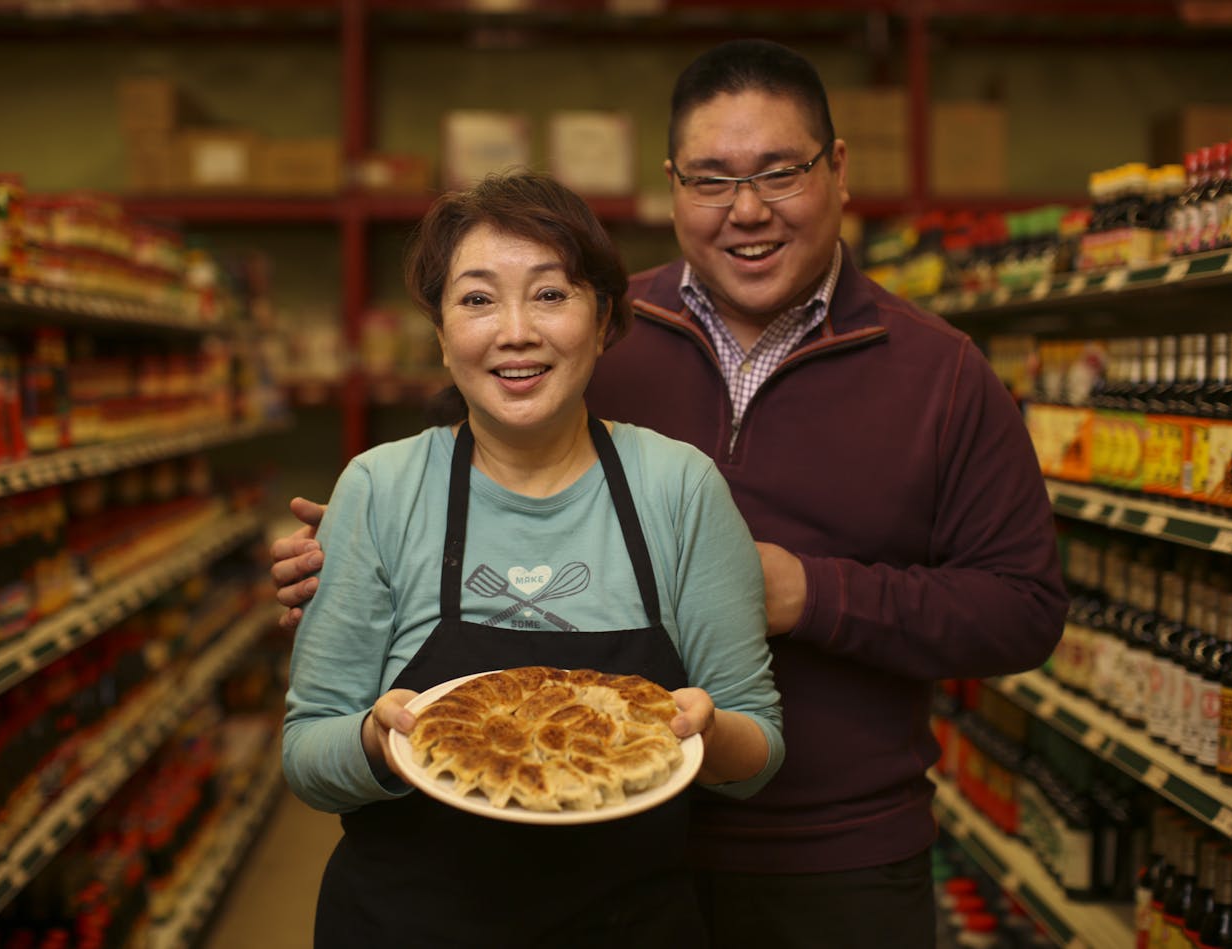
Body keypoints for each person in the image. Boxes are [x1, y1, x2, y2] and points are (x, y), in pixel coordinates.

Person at [274, 39, 1066, 949]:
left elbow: (1026, 607)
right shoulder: (598, 321)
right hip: (580, 851)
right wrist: (347, 557)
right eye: (712, 179)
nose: (748, 210)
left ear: (839, 170)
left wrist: (811, 592)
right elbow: (464, 457)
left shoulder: (942, 374)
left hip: (828, 852)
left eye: (780, 172)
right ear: (672, 185)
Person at [281, 170, 784, 949]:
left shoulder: (678, 486)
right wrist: (380, 742)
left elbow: (758, 751)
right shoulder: (380, 488)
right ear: (443, 334)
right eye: (478, 299)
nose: (516, 330)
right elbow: (308, 750)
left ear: (603, 318)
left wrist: (703, 733)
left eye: (551, 294)